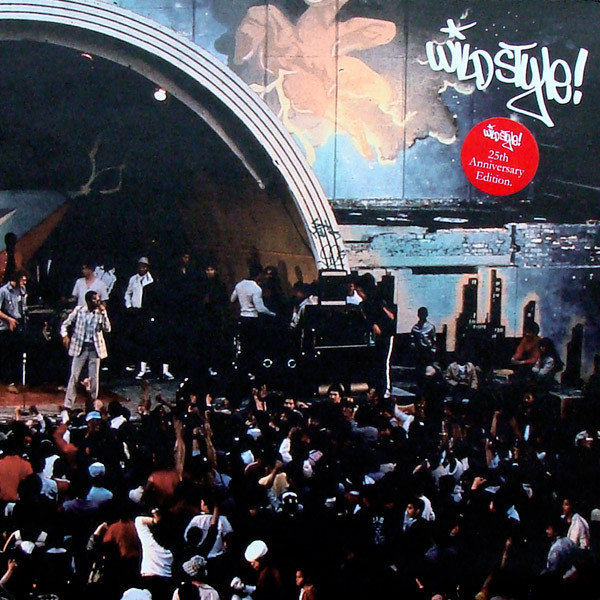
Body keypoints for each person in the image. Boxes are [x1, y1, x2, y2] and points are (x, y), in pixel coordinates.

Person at [124, 257, 174, 381]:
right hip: (136, 311)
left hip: (150, 313)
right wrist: (129, 306)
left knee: (155, 341)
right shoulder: (133, 279)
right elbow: (128, 293)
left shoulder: (152, 281)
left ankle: (158, 369)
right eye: (140, 266)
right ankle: (138, 366)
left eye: (144, 266)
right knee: (138, 339)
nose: (142, 269)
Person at [60, 290, 111, 410]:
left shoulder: (100, 313)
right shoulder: (79, 311)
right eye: (95, 299)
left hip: (94, 348)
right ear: (88, 301)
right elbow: (65, 324)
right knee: (74, 376)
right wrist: (64, 335)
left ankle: (92, 404)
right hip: (81, 347)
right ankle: (68, 404)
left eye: (98, 299)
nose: (97, 302)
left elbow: (107, 329)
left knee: (94, 377)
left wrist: (104, 314)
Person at [231, 265, 276, 378]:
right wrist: (272, 314)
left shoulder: (239, 285)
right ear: (259, 274)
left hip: (242, 318)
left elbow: (232, 299)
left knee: (244, 345)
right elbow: (260, 308)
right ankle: (253, 370)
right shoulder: (256, 289)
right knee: (254, 346)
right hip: (253, 320)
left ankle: (242, 371)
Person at [355, 275, 396, 398]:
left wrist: (377, 324)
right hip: (377, 337)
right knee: (377, 363)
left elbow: (391, 317)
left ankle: (386, 390)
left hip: (386, 335)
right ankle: (377, 387)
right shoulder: (364, 305)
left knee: (384, 362)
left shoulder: (378, 301)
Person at [0, 269, 27, 389]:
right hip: (6, 325)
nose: (24, 282)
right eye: (23, 280)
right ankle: (8, 381)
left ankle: (17, 379)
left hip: (19, 323)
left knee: (17, 353)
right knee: (7, 354)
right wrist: (9, 319)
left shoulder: (22, 290)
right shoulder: (3, 291)